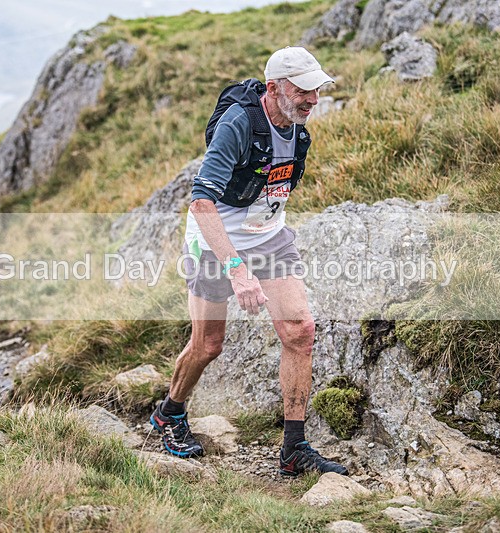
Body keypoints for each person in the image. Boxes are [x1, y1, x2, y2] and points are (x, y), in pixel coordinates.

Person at [150, 47, 348, 477]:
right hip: (214, 241)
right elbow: (202, 202)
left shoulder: (297, 129)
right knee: (208, 345)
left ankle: (294, 449)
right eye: (303, 90)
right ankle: (169, 413)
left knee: (300, 331)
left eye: (317, 90)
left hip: (269, 238)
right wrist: (237, 271)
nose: (313, 100)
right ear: (274, 89)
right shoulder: (237, 125)